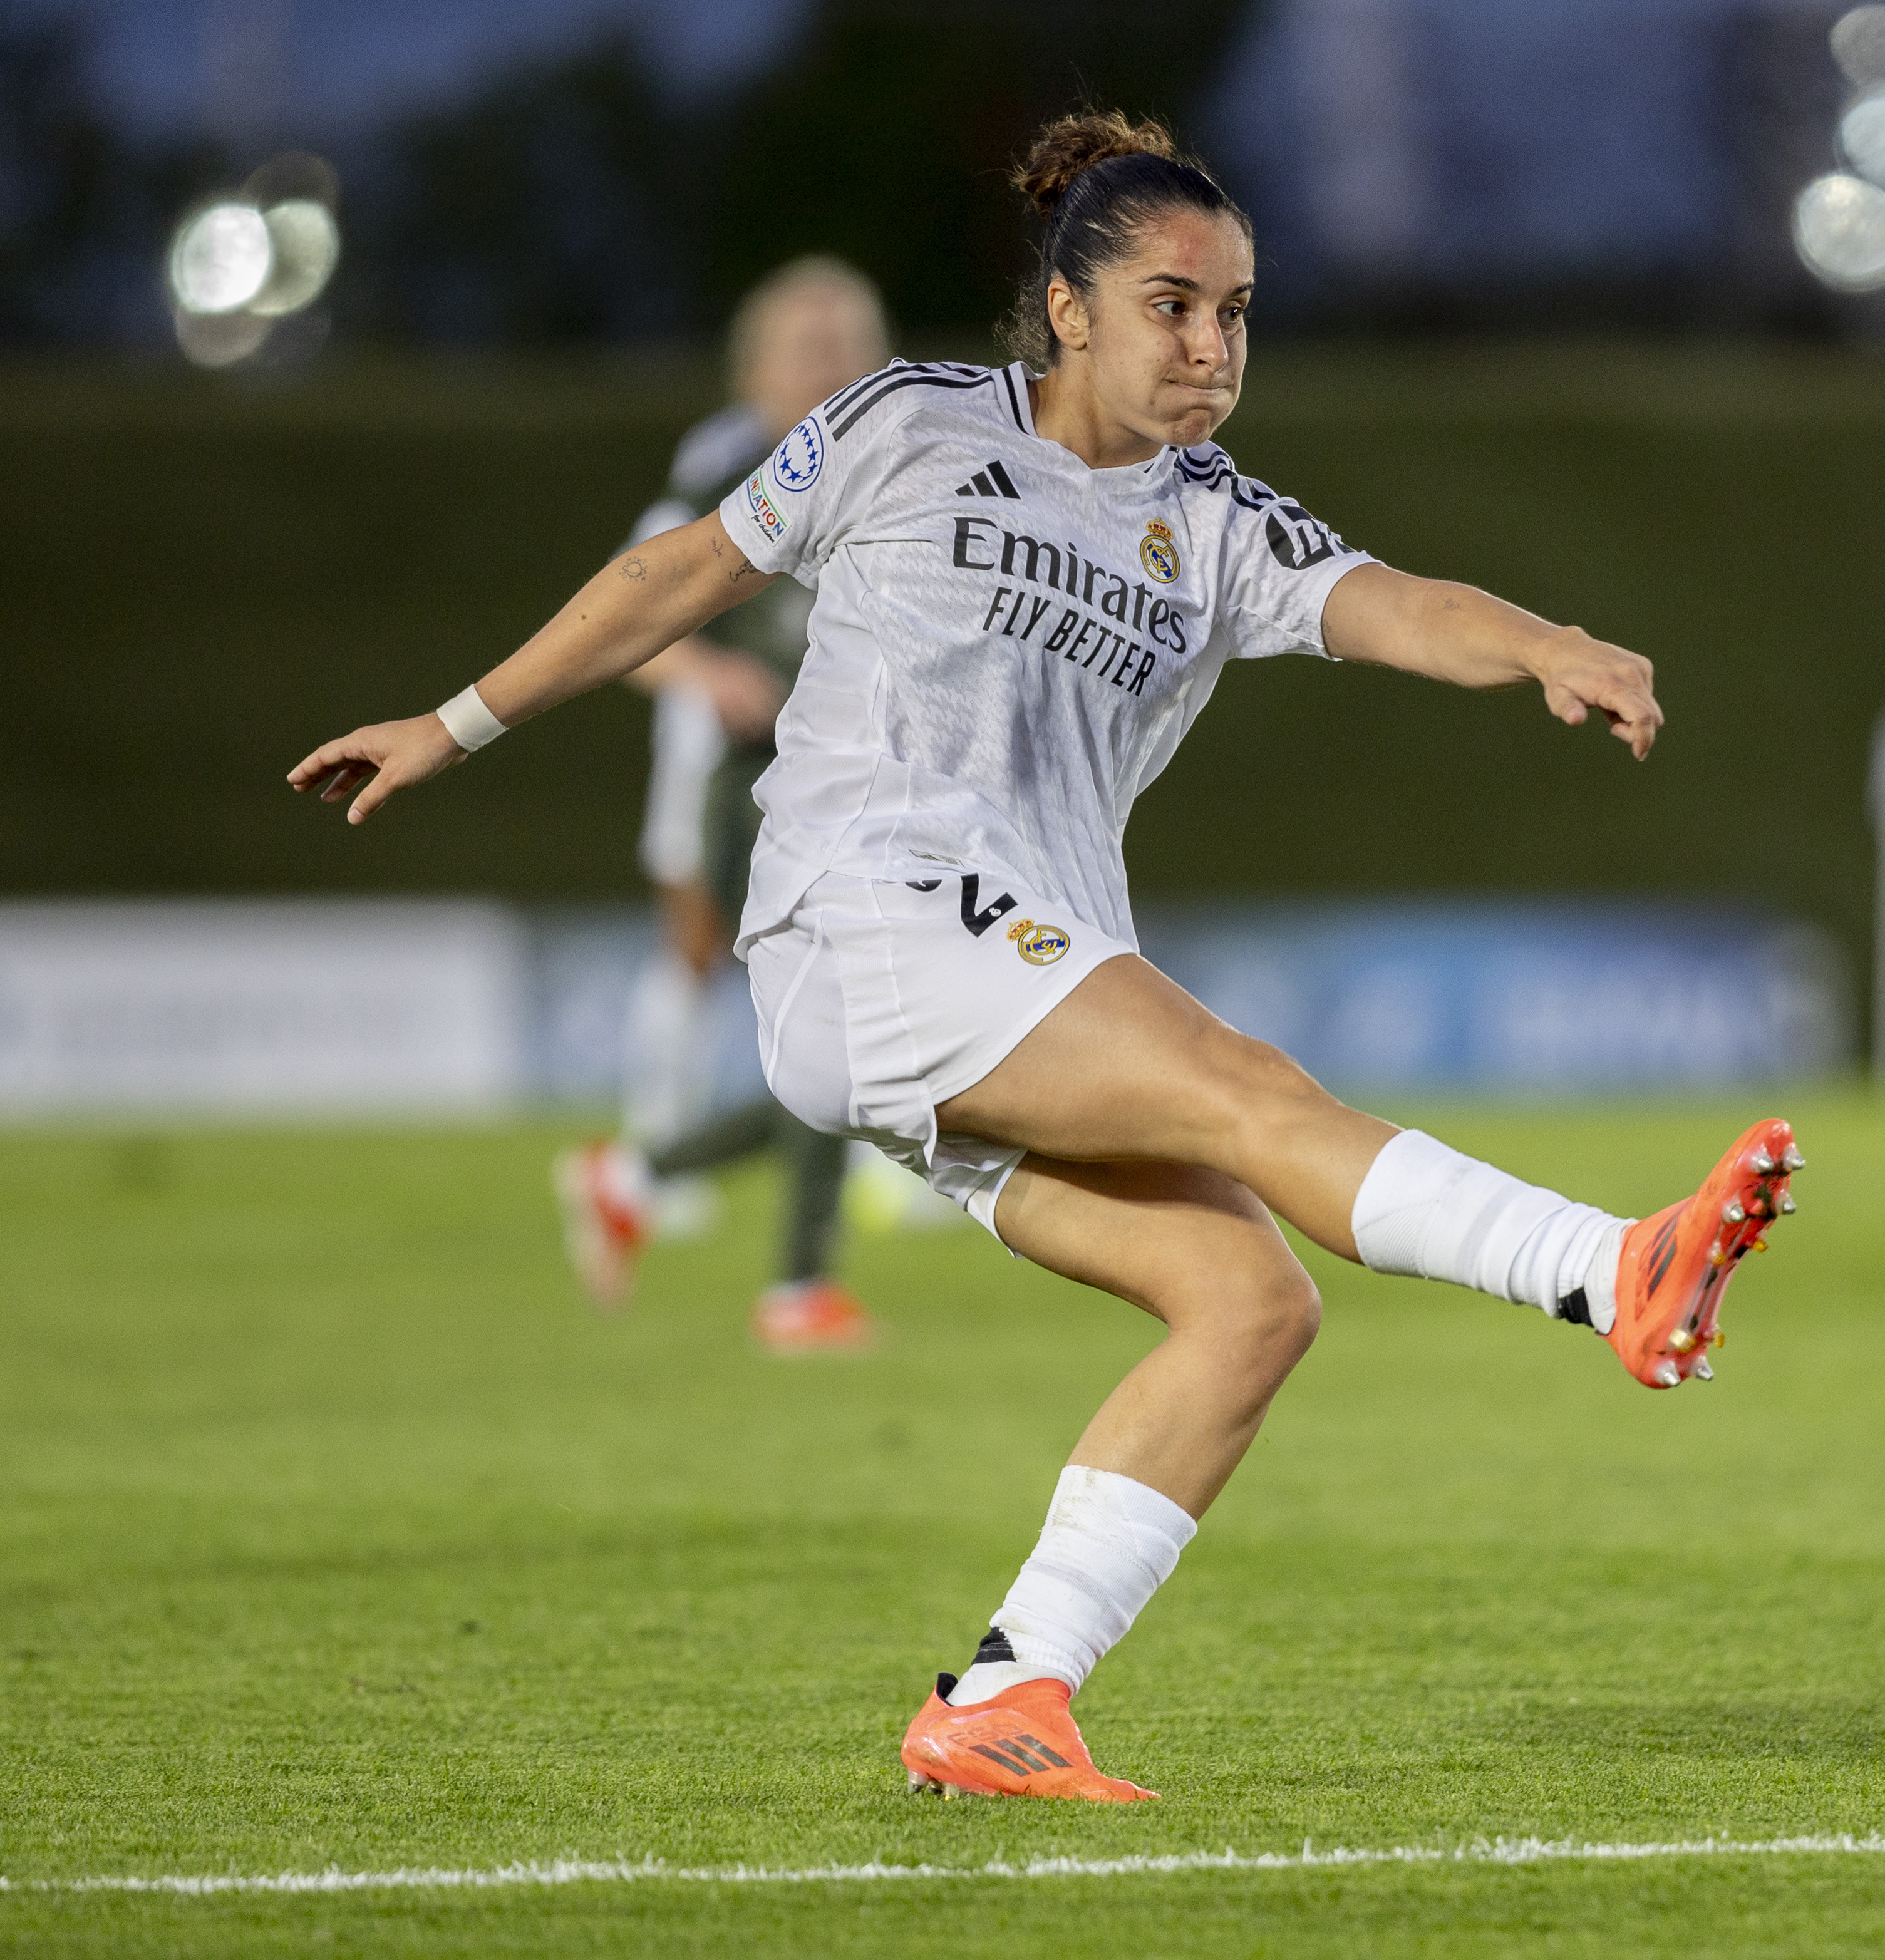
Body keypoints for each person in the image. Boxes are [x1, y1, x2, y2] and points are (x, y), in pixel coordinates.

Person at [291, 111, 1803, 1804]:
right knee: (1245, 1088)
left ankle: (1007, 1692)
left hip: (988, 976)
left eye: (1235, 312)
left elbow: (1393, 600)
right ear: (1068, 308)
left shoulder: (1212, 521)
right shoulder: (908, 423)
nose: (1211, 347)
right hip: (866, 912)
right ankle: (1614, 1267)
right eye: (1173, 304)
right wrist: (454, 722)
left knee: (1244, 1302)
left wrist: (1543, 644)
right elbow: (682, 574)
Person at [558, 257, 894, 1353]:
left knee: (868, 1051)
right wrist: (708, 675)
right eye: (805, 346)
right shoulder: (728, 461)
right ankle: (797, 1288)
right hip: (762, 787)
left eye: (845, 344)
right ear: (756, 364)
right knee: (834, 1035)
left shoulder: (903, 451)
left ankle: (640, 1172)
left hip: (876, 789)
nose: (827, 364)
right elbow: (621, 607)